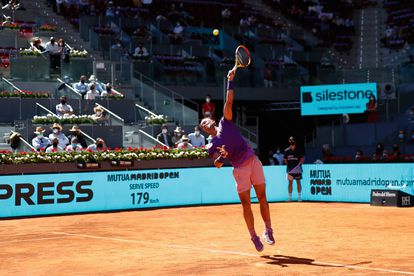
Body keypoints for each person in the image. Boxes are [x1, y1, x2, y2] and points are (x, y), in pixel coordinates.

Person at [200, 68, 274, 252]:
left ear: (213, 120)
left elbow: (229, 100)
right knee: (246, 204)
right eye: (202, 124)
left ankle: (268, 230)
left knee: (263, 197)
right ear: (204, 130)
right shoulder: (211, 145)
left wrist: (230, 80)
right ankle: (253, 236)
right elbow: (216, 165)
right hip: (239, 169)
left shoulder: (226, 121)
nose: (206, 122)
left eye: (207, 120)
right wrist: (222, 157)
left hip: (253, 161)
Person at [283, 136, 304, 202]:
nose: (291, 142)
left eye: (292, 140)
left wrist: (298, 166)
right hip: (290, 170)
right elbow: (285, 160)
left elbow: (302, 159)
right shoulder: (286, 151)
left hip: (297, 170)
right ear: (289, 142)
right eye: (290, 140)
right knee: (290, 183)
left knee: (298, 182)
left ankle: (299, 198)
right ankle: (290, 198)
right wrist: (289, 166)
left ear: (294, 142)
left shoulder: (299, 150)